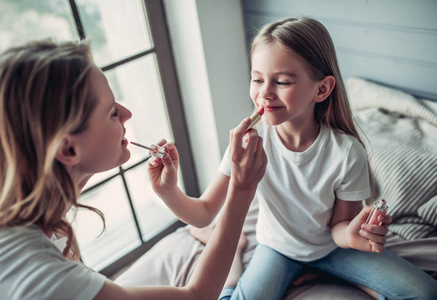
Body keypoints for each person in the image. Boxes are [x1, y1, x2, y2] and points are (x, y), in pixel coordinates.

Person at [148, 17, 437, 299]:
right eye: (257, 79)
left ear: (321, 89)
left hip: (332, 250)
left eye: (282, 82)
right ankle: (236, 257)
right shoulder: (248, 143)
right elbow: (203, 214)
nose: (264, 94)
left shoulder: (347, 152)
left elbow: (339, 228)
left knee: (425, 292)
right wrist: (167, 190)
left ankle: (321, 272)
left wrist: (352, 236)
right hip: (276, 248)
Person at [0, 40, 267, 300]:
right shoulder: (43, 275)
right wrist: (242, 189)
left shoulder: (34, 221)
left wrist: (168, 192)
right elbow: (197, 296)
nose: (126, 114)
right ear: (69, 151)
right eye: (111, 112)